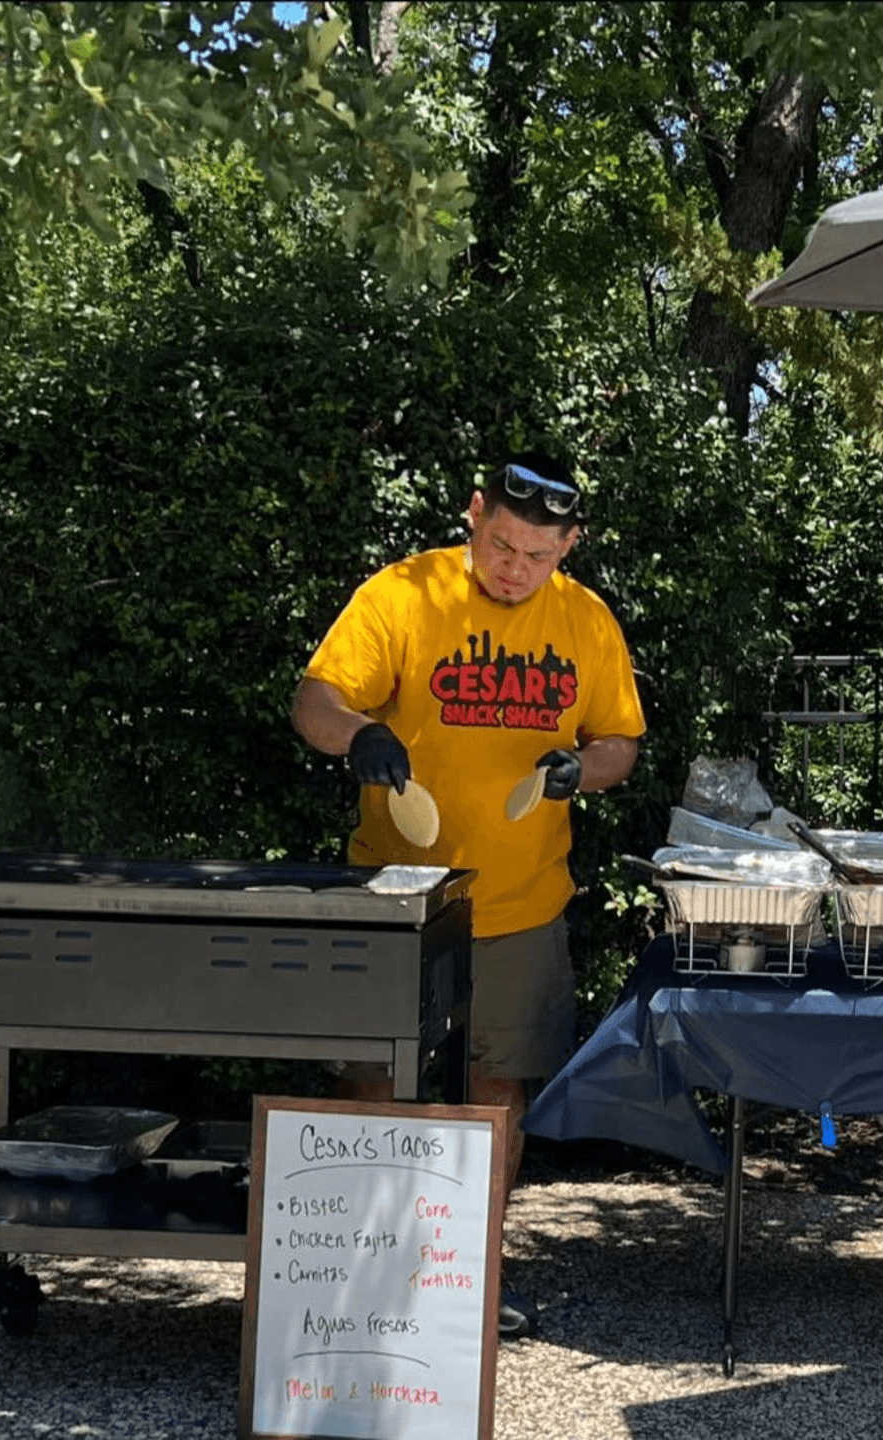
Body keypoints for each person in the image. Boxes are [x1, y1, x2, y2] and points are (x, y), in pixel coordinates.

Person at [290, 451, 645, 1339]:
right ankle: (362, 1280)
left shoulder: (586, 620)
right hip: (397, 898)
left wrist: (581, 768)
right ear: (474, 513)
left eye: (536, 555)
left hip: (521, 904)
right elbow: (313, 699)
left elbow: (620, 744)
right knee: (372, 1086)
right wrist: (359, 732)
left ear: (569, 546)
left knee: (494, 1096)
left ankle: (465, 1279)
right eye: (499, 544)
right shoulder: (403, 595)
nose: (512, 569)